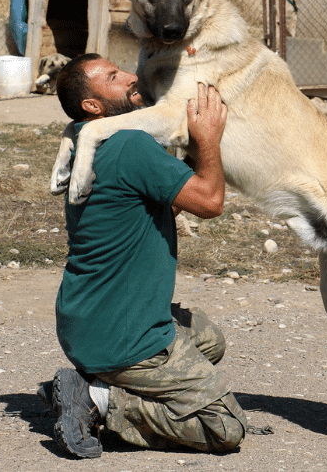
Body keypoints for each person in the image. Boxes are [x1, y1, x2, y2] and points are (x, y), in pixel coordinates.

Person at [39, 53, 247, 459]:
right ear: (93, 107)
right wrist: (207, 140)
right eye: (115, 77)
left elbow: (156, 209)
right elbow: (210, 201)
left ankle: (98, 376)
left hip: (86, 323)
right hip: (125, 335)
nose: (132, 77)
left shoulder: (86, 143)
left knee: (209, 340)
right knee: (225, 427)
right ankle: (100, 400)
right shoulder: (130, 143)